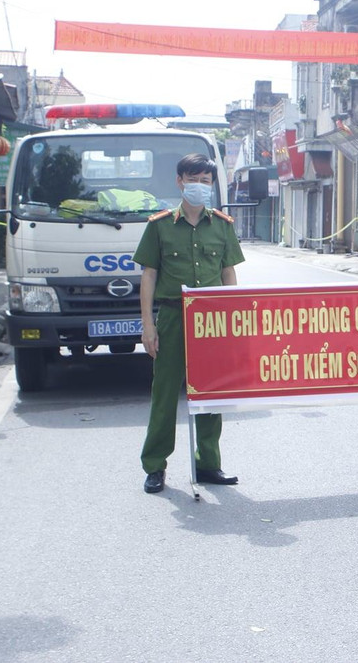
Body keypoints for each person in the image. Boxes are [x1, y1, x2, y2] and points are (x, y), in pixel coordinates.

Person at [135, 153, 245, 494]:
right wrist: (148, 325)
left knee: (211, 393)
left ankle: (208, 463)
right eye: (193, 179)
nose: (199, 186)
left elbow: (229, 273)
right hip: (172, 316)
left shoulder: (223, 226)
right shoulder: (160, 225)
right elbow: (149, 275)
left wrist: (235, 318)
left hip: (212, 321)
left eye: (206, 181)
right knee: (165, 394)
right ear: (180, 181)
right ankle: (155, 466)